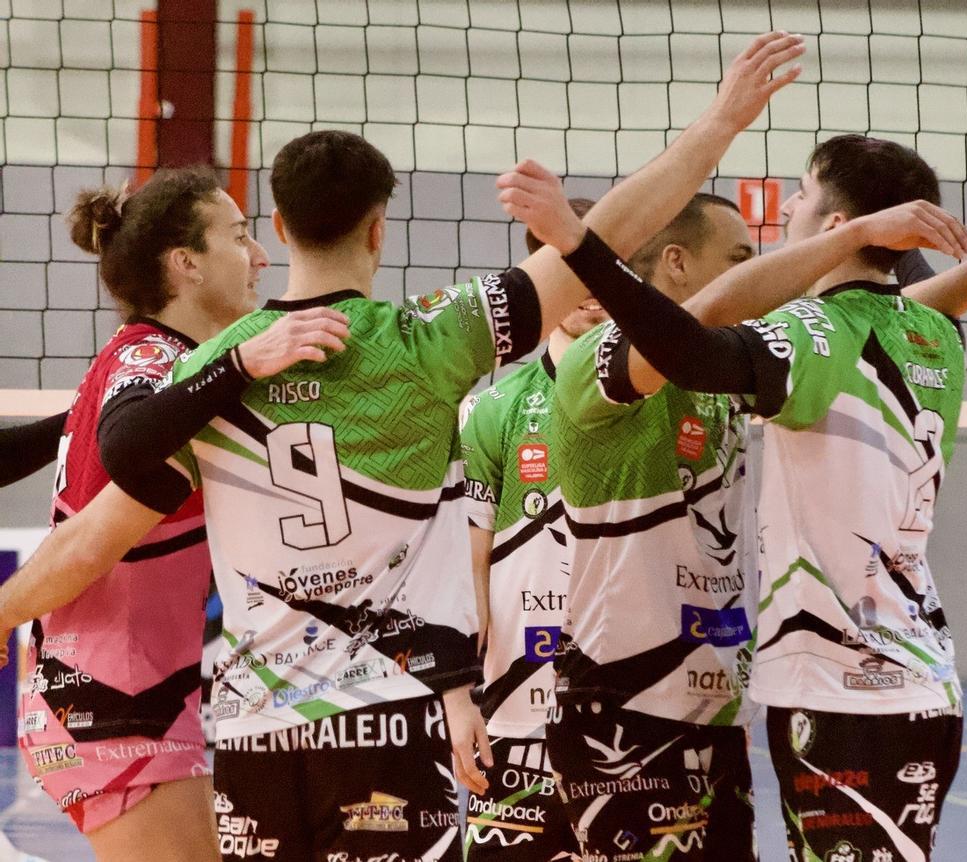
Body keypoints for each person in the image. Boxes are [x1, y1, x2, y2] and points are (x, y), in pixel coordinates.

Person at [0, 31, 810, 862]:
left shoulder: (209, 372)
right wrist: (719, 123)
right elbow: (598, 239)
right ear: (380, 230)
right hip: (386, 719)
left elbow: (105, 507)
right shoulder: (431, 339)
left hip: (253, 731)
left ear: (278, 226)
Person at [510, 133, 967, 861]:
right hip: (919, 682)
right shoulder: (935, 338)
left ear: (835, 225)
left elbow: (692, 346)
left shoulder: (811, 333)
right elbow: (892, 313)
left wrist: (577, 244)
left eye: (801, 191)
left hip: (838, 691)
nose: (786, 206)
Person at [0, 167, 349, 862]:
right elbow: (85, 548)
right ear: (186, 264)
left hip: (137, 697)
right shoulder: (158, 367)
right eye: (240, 236)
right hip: (111, 704)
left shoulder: (163, 370)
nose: (260, 257)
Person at [459, 198, 602, 861]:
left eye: (602, 271)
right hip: (519, 713)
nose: (590, 293)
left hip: (631, 713)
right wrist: (463, 695)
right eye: (567, 273)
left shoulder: (666, 392)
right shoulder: (494, 407)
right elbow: (470, 564)